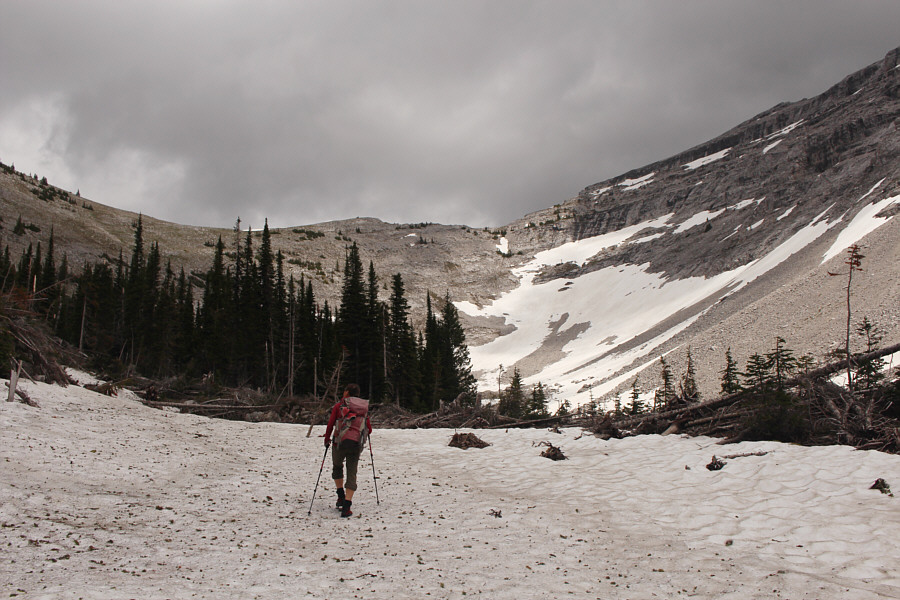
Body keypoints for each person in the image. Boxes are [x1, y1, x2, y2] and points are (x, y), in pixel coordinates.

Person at [324, 383, 371, 517]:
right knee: (352, 473)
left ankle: (340, 495)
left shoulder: (339, 406)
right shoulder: (362, 409)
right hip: (355, 445)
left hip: (339, 443)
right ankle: (347, 506)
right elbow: (369, 428)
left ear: (347, 393)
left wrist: (327, 439)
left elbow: (331, 423)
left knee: (337, 467)